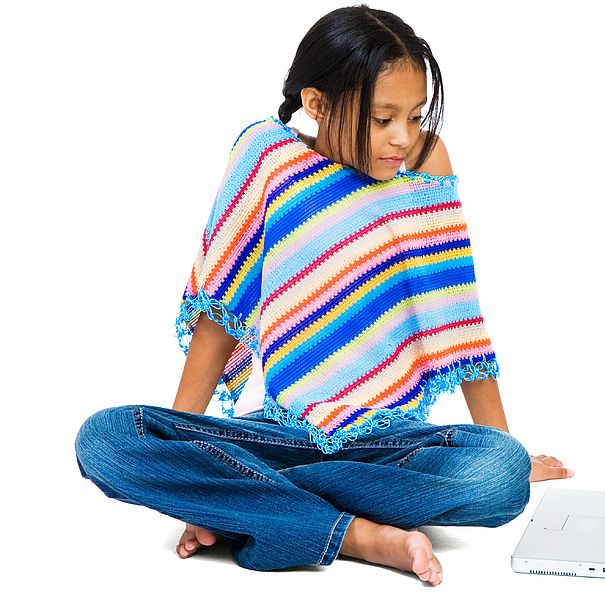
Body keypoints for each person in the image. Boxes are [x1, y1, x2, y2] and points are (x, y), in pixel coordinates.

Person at [74, 4, 573, 587]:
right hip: (286, 434)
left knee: (497, 473)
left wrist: (504, 445)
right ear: (317, 104)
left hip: (391, 444)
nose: (402, 137)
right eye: (383, 118)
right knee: (106, 439)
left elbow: (454, 321)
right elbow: (219, 315)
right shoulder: (267, 157)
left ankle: (254, 507)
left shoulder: (425, 166)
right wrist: (185, 441)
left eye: (413, 116)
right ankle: (359, 535)